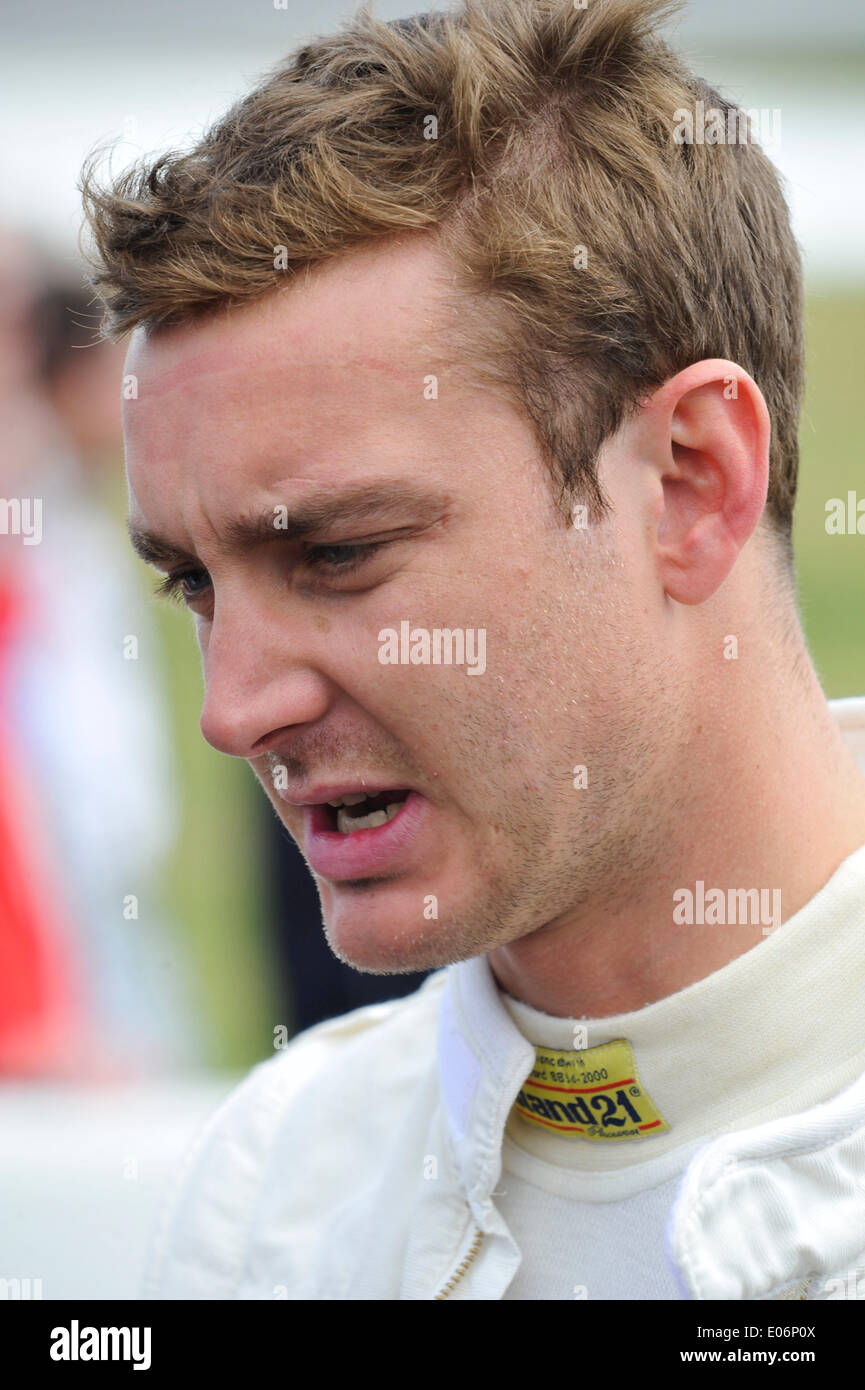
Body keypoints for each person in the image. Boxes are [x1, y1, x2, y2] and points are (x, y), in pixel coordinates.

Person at [81, 0, 865, 1299]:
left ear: (688, 480)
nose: (232, 710)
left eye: (333, 554)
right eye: (193, 582)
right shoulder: (269, 1198)